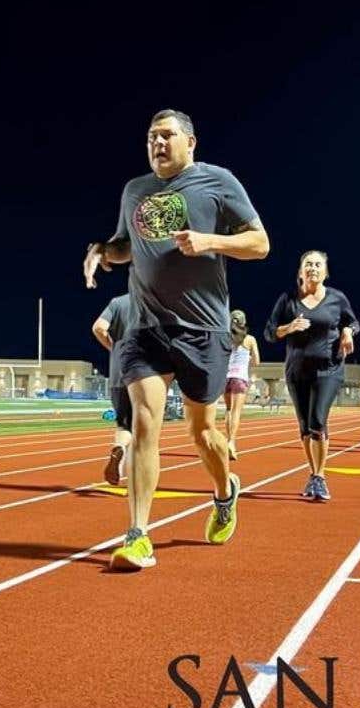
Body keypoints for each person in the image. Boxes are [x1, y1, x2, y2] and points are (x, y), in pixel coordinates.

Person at [84, 109, 269, 570]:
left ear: (190, 142)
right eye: (151, 137)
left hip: (203, 329)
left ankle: (225, 491)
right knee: (146, 425)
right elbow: (126, 245)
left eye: (166, 136)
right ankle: (137, 535)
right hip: (145, 327)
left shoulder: (217, 182)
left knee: (202, 432)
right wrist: (102, 250)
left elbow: (260, 243)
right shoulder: (134, 190)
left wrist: (211, 242)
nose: (157, 143)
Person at [264, 250, 358, 500]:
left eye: (318, 265)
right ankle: (312, 473)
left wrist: (348, 331)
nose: (313, 268)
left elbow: (353, 322)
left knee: (317, 422)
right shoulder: (288, 299)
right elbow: (269, 332)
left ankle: (320, 477)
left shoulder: (337, 298)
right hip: (296, 371)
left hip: (329, 369)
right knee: (305, 427)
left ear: (325, 272)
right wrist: (288, 327)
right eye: (308, 264)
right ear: (300, 271)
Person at [92, 291, 135, 485]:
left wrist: (113, 348)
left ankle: (119, 447)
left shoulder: (118, 303)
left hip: (118, 374)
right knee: (145, 431)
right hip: (146, 375)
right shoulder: (156, 302)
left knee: (124, 424)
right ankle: (139, 483)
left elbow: (99, 328)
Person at [223, 309, 260, 460]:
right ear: (244, 322)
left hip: (225, 377)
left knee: (228, 409)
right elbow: (256, 362)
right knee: (236, 412)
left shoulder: (225, 337)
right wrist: (248, 358)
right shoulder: (250, 339)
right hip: (240, 377)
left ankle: (227, 439)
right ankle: (231, 442)